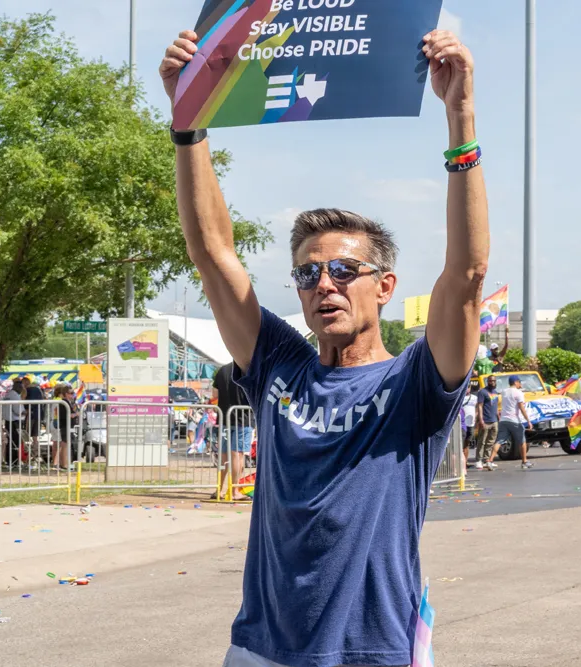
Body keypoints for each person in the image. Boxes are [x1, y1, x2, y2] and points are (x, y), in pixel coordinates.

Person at [161, 26, 487, 667]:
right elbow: (213, 254)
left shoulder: (416, 382)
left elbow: (468, 275)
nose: (324, 285)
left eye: (343, 270)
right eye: (308, 274)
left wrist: (461, 116)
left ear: (385, 286)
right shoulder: (280, 364)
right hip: (260, 650)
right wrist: (189, 121)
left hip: (369, 652)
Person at [213, 361, 252, 501]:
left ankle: (219, 489)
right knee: (237, 455)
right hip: (243, 419)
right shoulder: (248, 369)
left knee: (224, 456)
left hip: (224, 418)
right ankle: (235, 491)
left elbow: (214, 394)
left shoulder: (222, 370)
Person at [500, 376, 534, 469]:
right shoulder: (519, 393)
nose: (520, 384)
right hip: (514, 420)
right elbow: (521, 408)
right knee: (522, 441)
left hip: (504, 419)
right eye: (519, 382)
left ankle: (490, 461)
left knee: (499, 441)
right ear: (515, 382)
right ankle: (524, 461)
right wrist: (528, 421)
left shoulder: (504, 392)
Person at [475, 375, 500, 470]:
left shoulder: (495, 392)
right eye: (490, 381)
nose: (492, 382)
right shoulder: (482, 392)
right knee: (482, 441)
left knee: (491, 441)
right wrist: (481, 419)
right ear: (487, 381)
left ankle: (487, 460)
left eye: (494, 381)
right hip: (485, 420)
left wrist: (498, 416)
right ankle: (479, 460)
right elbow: (480, 406)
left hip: (494, 420)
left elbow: (496, 406)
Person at [4, 379, 25, 469]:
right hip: (15, 421)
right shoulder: (15, 396)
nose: (22, 390)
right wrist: (26, 412)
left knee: (10, 442)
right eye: (21, 388)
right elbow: (18, 411)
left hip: (8, 421)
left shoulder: (8, 394)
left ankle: (10, 461)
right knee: (15, 443)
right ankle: (14, 461)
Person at [461, 383, 478, 471]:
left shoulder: (474, 398)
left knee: (466, 444)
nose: (467, 389)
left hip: (471, 424)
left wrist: (476, 417)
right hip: (462, 424)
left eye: (468, 387)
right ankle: (460, 464)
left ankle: (465, 462)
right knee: (460, 444)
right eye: (466, 387)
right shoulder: (460, 397)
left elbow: (478, 408)